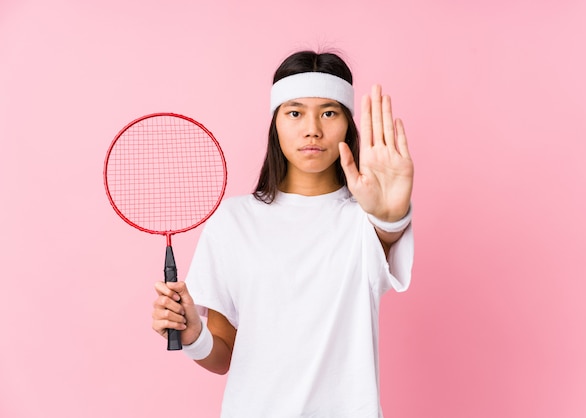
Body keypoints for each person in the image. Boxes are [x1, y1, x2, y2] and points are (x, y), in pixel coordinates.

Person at [152, 50, 414, 417]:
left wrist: (391, 217)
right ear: (275, 122)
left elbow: (385, 233)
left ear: (347, 124)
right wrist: (194, 335)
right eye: (295, 112)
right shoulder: (234, 220)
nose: (312, 129)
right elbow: (224, 352)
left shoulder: (363, 220)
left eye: (329, 112)